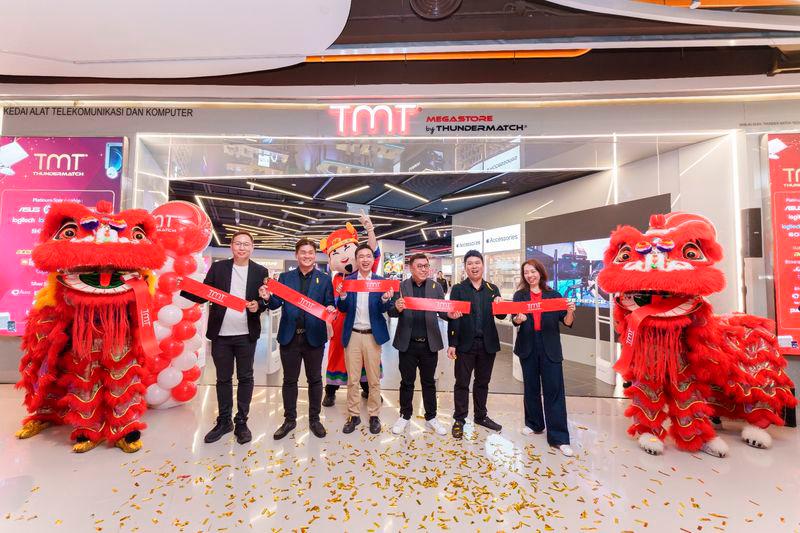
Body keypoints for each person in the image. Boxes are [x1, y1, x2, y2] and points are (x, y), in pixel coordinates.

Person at [179, 231, 269, 445]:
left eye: (246, 244)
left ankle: (241, 421)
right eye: (238, 243)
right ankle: (224, 420)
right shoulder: (219, 268)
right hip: (221, 334)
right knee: (223, 379)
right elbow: (204, 294)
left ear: (252, 248)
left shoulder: (260, 271)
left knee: (246, 378)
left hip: (247, 334)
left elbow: (264, 300)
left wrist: (259, 305)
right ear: (231, 246)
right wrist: (182, 287)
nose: (242, 247)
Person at [260, 238, 335, 440]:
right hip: (289, 337)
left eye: (311, 252)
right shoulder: (284, 278)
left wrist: (330, 309)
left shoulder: (325, 279)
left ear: (315, 255)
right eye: (303, 252)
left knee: (315, 380)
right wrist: (268, 298)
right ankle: (289, 420)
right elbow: (275, 304)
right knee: (289, 380)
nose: (307, 256)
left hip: (314, 337)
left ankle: (314, 419)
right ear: (296, 255)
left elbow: (329, 304)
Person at [511, 259, 576, 457]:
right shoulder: (519, 295)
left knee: (554, 390)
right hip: (528, 346)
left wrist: (571, 311)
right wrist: (518, 319)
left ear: (540, 272)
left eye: (533, 271)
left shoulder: (553, 295)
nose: (530, 275)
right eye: (526, 272)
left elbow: (566, 321)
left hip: (550, 346)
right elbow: (515, 319)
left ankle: (559, 437)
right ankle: (534, 424)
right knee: (530, 387)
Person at [447, 250, 506, 439]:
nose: (474, 266)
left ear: (483, 265)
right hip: (465, 345)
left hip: (487, 344)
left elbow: (502, 315)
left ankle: (481, 416)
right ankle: (459, 419)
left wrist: (500, 303)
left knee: (483, 383)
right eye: (470, 263)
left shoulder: (492, 289)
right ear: (465, 267)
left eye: (477, 263)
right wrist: (452, 343)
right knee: (462, 383)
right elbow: (453, 318)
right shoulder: (458, 289)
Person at [388, 253, 449, 436]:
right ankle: (404, 415)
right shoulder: (401, 286)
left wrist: (452, 314)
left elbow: (442, 312)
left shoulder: (436, 287)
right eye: (419, 266)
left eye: (426, 266)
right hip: (407, 343)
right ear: (410, 268)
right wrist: (396, 308)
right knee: (407, 382)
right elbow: (391, 312)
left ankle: (431, 417)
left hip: (429, 343)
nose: (424, 269)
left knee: (429, 382)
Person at [337, 244, 394, 434]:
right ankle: (353, 415)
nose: (365, 259)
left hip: (372, 336)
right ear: (357, 260)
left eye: (368, 256)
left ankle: (374, 415)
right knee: (352, 379)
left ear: (372, 259)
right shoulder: (349, 281)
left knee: (373, 379)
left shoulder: (380, 282)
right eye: (361, 256)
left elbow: (385, 309)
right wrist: (343, 296)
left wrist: (386, 299)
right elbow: (343, 309)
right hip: (353, 334)